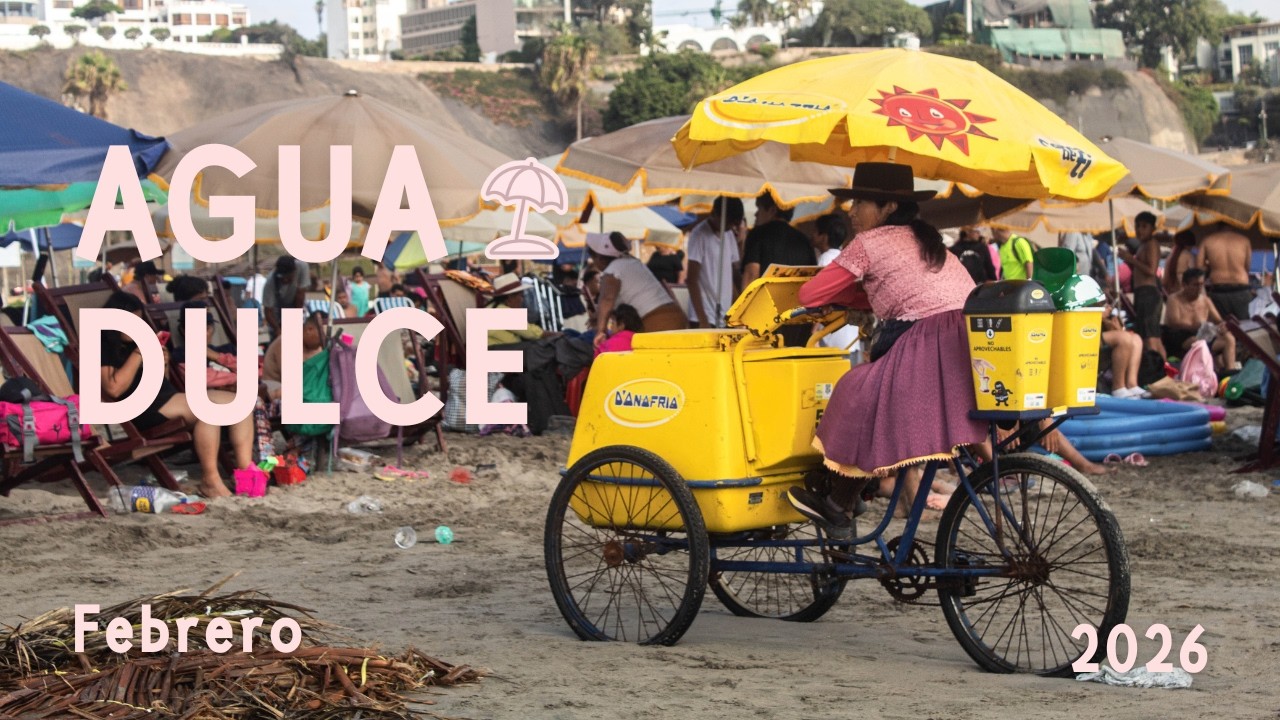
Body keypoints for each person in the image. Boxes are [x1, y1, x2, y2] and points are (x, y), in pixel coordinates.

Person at [786, 163, 986, 537]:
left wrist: (841, 295)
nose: (850, 211)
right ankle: (846, 496)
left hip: (928, 340)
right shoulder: (928, 240)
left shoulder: (869, 243)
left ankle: (838, 503)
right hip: (966, 341)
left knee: (856, 391)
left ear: (889, 207)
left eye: (859, 202)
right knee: (873, 398)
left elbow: (808, 294)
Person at [98, 291, 254, 499]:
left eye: (138, 319)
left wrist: (159, 362)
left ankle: (245, 474)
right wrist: (138, 354)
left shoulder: (135, 342)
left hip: (165, 398)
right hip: (142, 408)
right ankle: (210, 480)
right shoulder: (103, 345)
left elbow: (161, 382)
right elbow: (113, 388)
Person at [588, 232, 687, 347]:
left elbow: (607, 300)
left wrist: (601, 331)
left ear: (599, 258)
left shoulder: (612, 271)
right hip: (675, 315)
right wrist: (599, 316)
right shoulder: (633, 262)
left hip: (655, 322)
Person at [1162, 268, 1237, 371]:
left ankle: (1230, 372)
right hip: (1179, 337)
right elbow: (1173, 322)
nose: (1199, 288)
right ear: (1184, 285)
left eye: (1201, 284)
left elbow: (1219, 320)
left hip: (1203, 336)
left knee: (1229, 338)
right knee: (1196, 341)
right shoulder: (1174, 299)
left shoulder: (1206, 300)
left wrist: (1223, 327)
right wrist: (1195, 326)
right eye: (1195, 285)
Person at [686, 197, 744, 329]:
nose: (731, 227)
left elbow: (734, 274)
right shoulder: (699, 234)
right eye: (729, 223)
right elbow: (691, 280)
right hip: (703, 316)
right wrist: (703, 320)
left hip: (724, 315)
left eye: (735, 224)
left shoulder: (728, 234)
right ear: (716, 214)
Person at [741, 192, 817, 287]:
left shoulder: (758, 234)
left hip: (765, 299)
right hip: (795, 299)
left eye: (759, 209)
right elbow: (812, 277)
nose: (756, 214)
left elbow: (751, 274)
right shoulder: (804, 240)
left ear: (772, 210)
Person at [1118, 211, 1165, 356]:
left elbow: (1151, 270)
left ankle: (1161, 369)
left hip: (1149, 294)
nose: (1139, 230)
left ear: (1152, 228)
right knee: (1147, 337)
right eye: (1137, 226)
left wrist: (1131, 259)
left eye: (1144, 226)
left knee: (1152, 339)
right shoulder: (1142, 246)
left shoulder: (1152, 244)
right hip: (1142, 293)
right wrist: (1129, 261)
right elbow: (1140, 269)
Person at [1195, 225, 1253, 322]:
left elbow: (1199, 267)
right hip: (1241, 286)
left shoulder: (1208, 240)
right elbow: (1247, 266)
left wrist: (1211, 267)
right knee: (1243, 326)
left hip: (1219, 288)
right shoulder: (1244, 240)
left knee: (1221, 326)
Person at [1101, 299, 1148, 398]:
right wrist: (1100, 314)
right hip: (1084, 333)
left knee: (1136, 339)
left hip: (1101, 333)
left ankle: (1132, 384)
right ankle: (1118, 388)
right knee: (1124, 338)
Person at [486, 273, 545, 345]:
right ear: (510, 298)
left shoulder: (491, 307)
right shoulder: (503, 313)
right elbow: (533, 333)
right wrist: (559, 334)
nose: (522, 299)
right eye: (521, 295)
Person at [261, 256, 309, 341]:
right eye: (282, 277)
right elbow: (268, 311)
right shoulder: (270, 282)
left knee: (296, 336)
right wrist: (277, 329)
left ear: (294, 271)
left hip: (294, 303)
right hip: (277, 307)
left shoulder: (302, 267)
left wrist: (296, 320)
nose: (285, 280)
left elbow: (300, 296)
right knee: (276, 339)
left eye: (288, 277)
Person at [1162, 230, 1197, 296]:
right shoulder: (1188, 256)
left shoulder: (1170, 257)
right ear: (1189, 244)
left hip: (1172, 295)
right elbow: (1195, 277)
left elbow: (1164, 281)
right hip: (1185, 296)